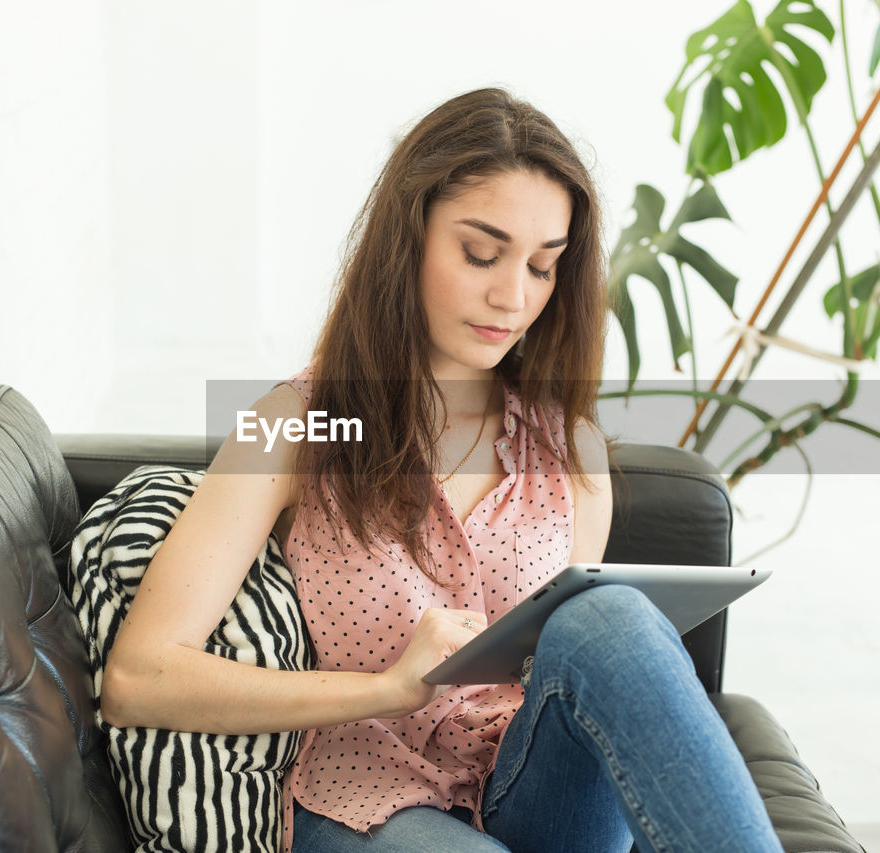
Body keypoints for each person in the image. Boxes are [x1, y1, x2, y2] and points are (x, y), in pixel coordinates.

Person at [100, 88, 781, 853]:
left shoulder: (570, 450)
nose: (513, 297)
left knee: (609, 615)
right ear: (409, 238)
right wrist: (389, 688)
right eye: (481, 254)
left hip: (533, 790)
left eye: (543, 267)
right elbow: (138, 677)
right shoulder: (295, 424)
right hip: (371, 802)